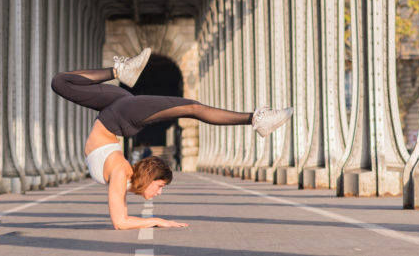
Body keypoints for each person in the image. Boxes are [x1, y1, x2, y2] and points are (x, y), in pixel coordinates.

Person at [51, 48, 293, 230]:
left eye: (159, 186)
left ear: (147, 177)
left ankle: (256, 119)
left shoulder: (120, 173)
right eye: (161, 187)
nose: (159, 192)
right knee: (60, 82)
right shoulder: (122, 175)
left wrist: (156, 220)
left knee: (192, 108)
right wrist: (157, 221)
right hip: (115, 113)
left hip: (118, 114)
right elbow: (122, 220)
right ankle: (118, 71)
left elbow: (120, 222)